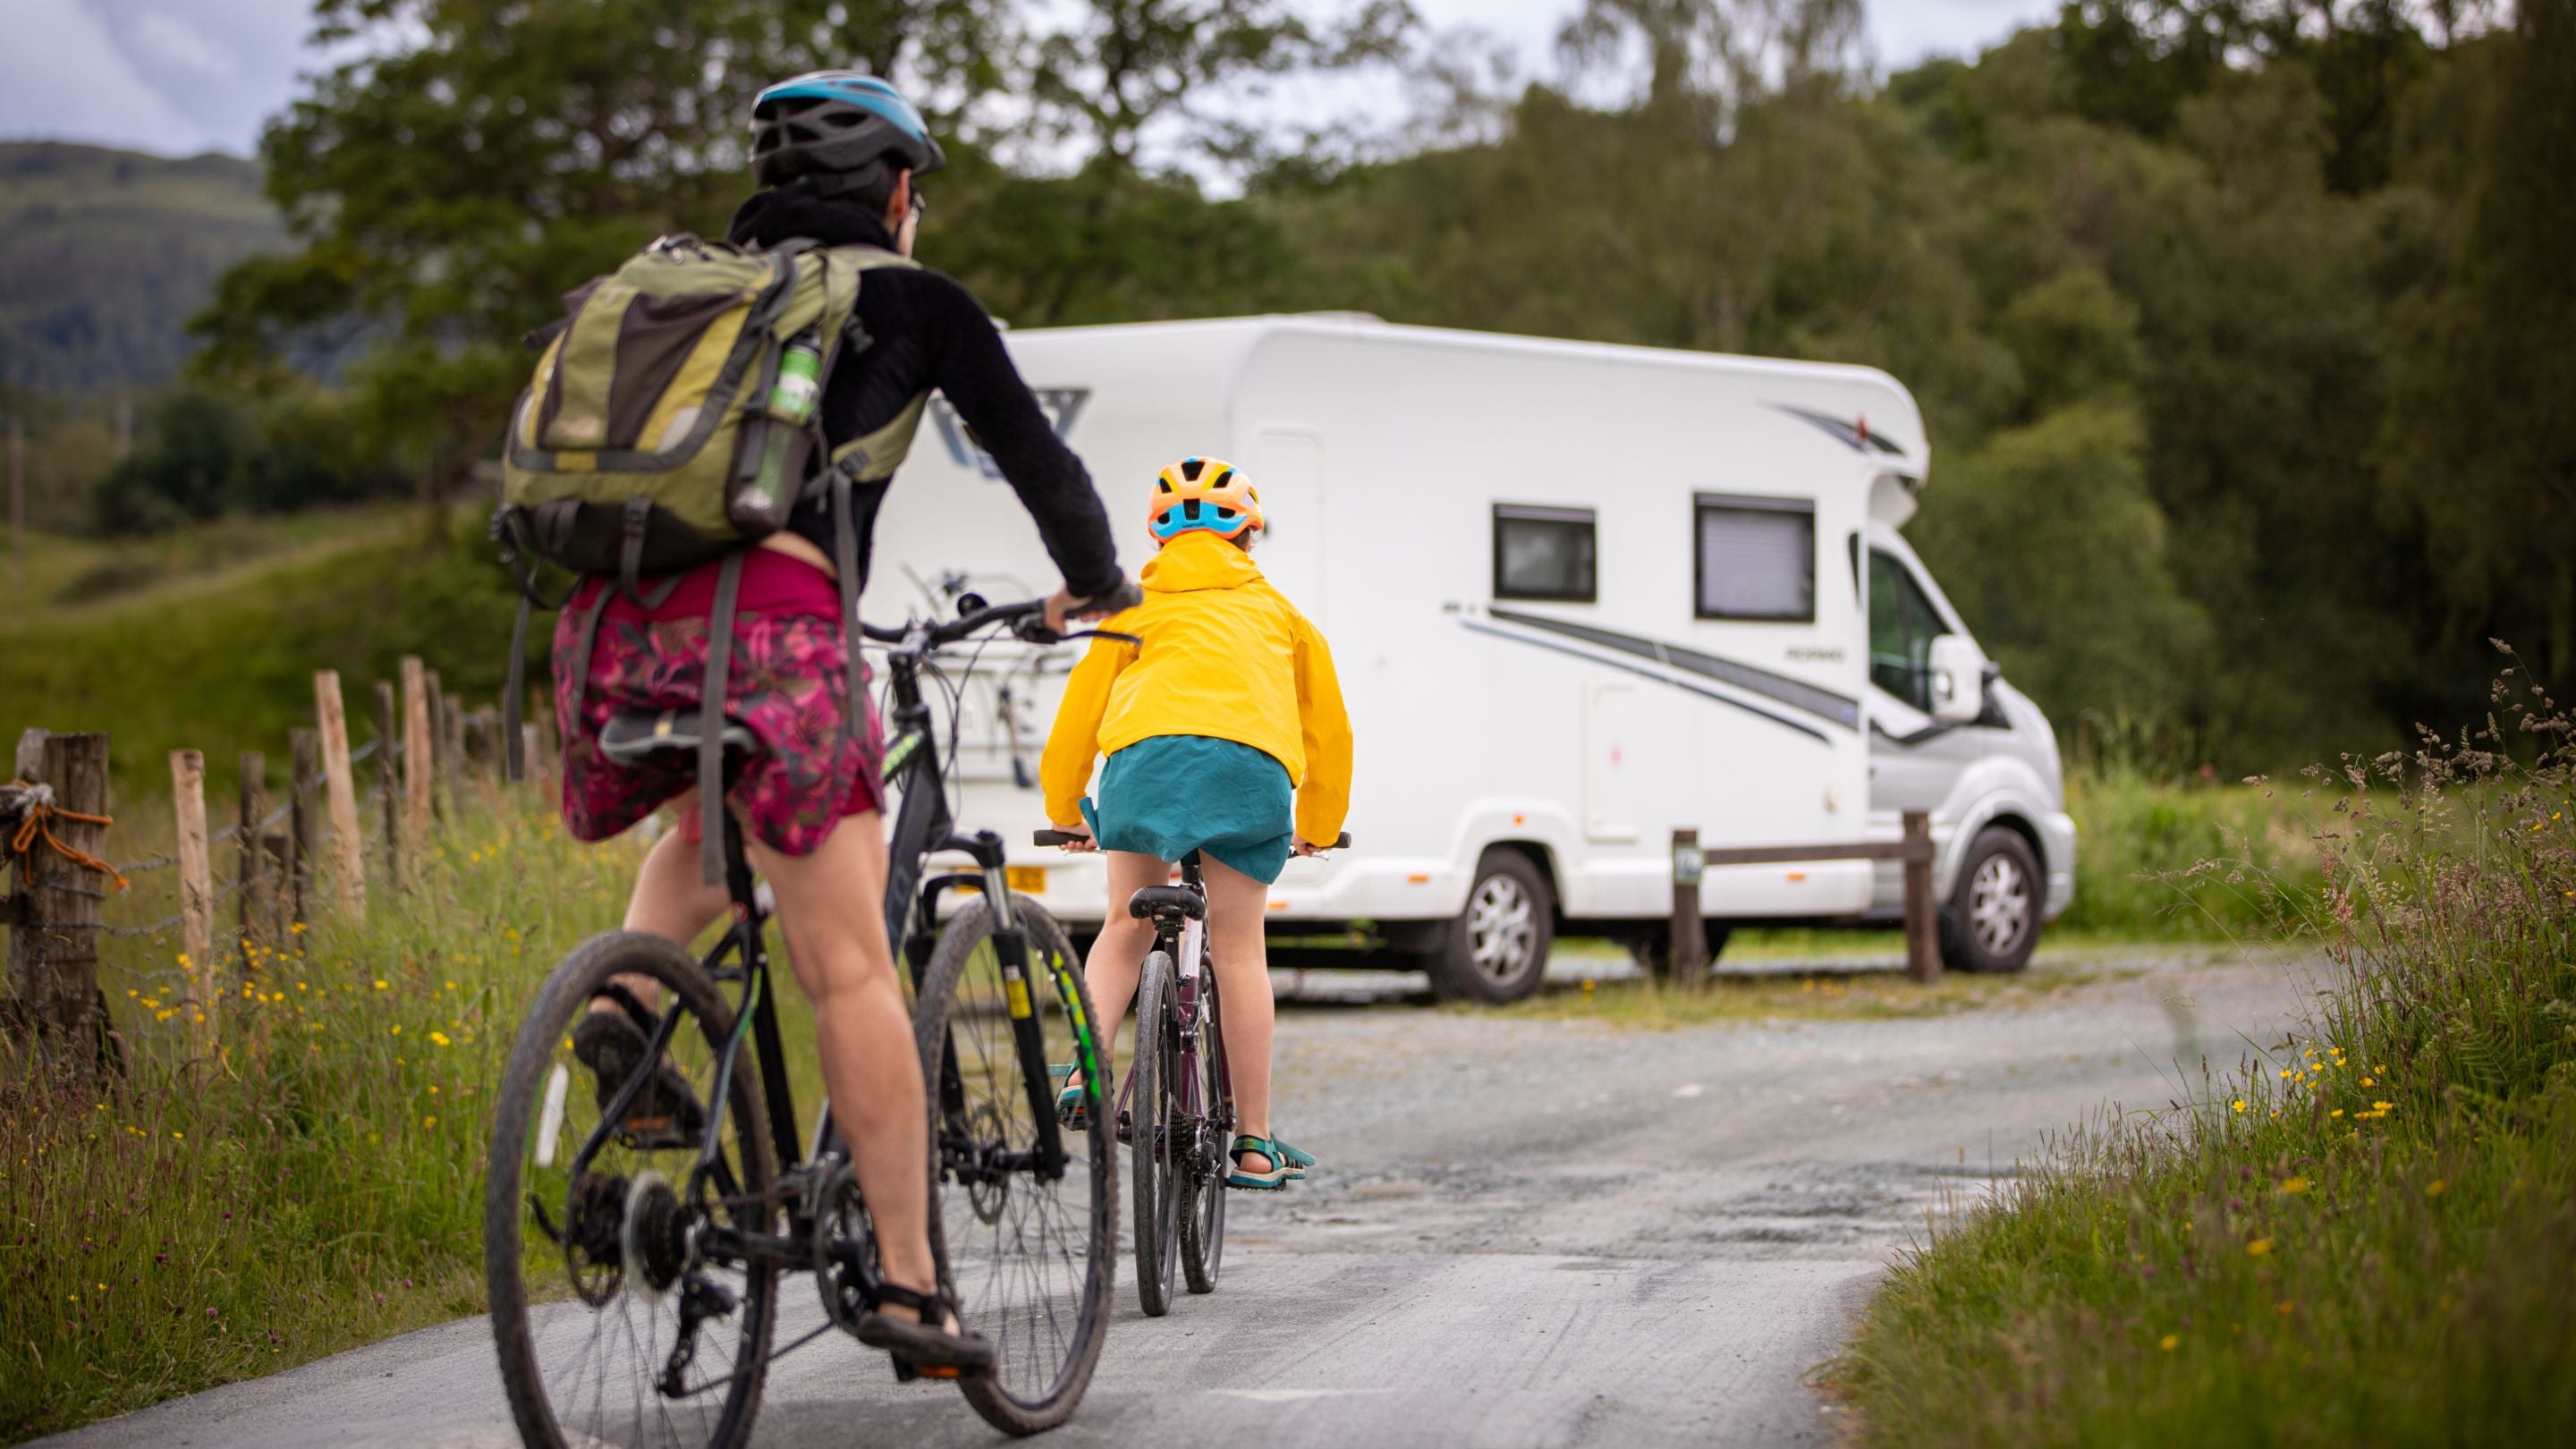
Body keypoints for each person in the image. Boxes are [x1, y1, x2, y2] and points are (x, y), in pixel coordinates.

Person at [553, 71, 1126, 1369]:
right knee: (852, 966)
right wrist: (1095, 582)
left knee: (711, 829)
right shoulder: (913, 300)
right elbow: (1043, 466)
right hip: (774, 631)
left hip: (613, 633)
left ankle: (626, 1009)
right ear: (898, 190)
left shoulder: (684, 294)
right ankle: (913, 1291)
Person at [1038, 456, 1352, 1190]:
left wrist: (1068, 810)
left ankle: (1085, 1071)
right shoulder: (1283, 616)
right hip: (1250, 773)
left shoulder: (1129, 611)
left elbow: (1078, 717)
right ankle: (1254, 1143)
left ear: (1158, 539)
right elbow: (1329, 732)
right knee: (1239, 951)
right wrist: (1319, 822)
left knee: (1125, 924)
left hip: (1144, 768)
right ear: (1248, 536)